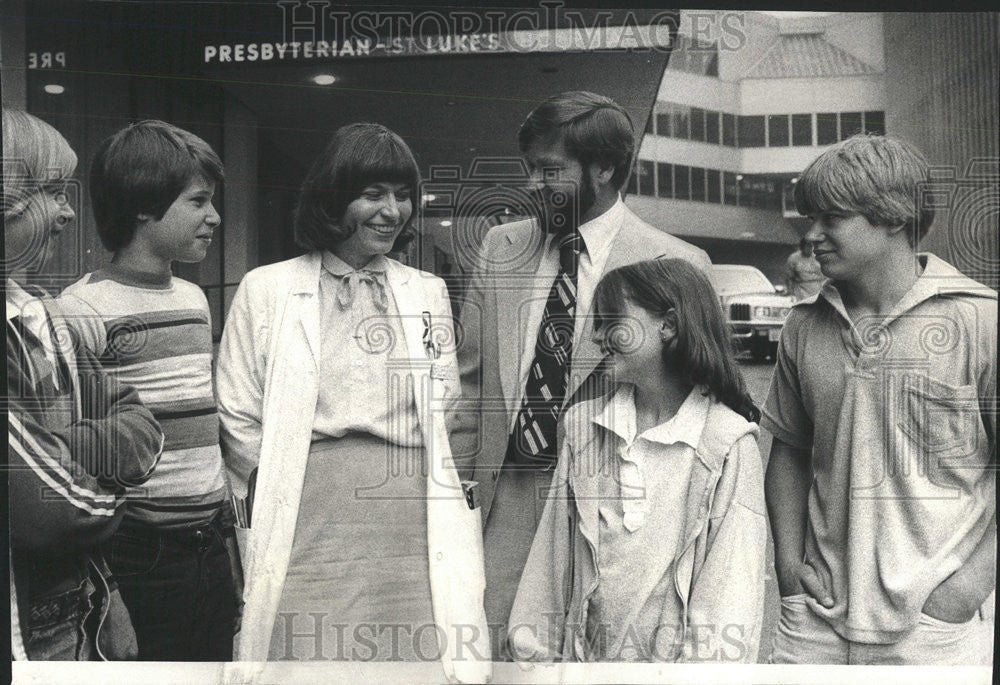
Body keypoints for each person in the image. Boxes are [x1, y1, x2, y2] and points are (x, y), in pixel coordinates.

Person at [216, 123, 489, 681]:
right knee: (309, 659)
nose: (393, 210)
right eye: (374, 194)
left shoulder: (427, 292)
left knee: (414, 659)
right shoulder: (266, 288)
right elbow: (237, 410)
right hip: (306, 515)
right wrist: (280, 478)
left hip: (411, 514)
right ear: (334, 197)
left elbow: (446, 404)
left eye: (402, 195)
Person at [450, 90, 712, 655]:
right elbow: (469, 388)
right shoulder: (501, 247)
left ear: (605, 168)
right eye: (530, 169)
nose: (533, 185)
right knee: (492, 657)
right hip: (508, 501)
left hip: (615, 511)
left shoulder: (676, 266)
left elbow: (697, 416)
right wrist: (460, 501)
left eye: (550, 171)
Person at [763, 134, 996, 664]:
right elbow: (790, 453)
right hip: (813, 625)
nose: (812, 236)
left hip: (933, 633)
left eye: (832, 218)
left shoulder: (982, 320)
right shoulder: (802, 326)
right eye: (810, 218)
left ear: (894, 217)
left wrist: (964, 593)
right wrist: (788, 568)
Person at [507, 258, 766, 662]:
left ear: (668, 325)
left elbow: (729, 599)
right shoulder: (583, 427)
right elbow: (550, 567)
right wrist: (533, 658)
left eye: (611, 320)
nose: (595, 336)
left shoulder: (727, 443)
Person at [55, 120, 239, 661]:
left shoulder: (193, 297)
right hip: (138, 556)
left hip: (209, 543)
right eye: (199, 201)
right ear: (143, 205)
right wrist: (108, 592)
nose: (214, 217)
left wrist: (229, 543)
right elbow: (80, 464)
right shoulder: (82, 309)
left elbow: (208, 435)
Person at [4, 108, 163, 660]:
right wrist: (84, 467)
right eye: (52, 191)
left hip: (76, 618)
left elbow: (145, 430)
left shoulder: (40, 317)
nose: (69, 212)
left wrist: (66, 453)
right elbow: (53, 512)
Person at [784, 237, 824, 301]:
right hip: (801, 289)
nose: (809, 248)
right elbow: (789, 277)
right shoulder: (793, 258)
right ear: (802, 247)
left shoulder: (818, 256)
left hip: (818, 287)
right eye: (807, 246)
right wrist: (791, 292)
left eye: (811, 246)